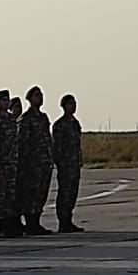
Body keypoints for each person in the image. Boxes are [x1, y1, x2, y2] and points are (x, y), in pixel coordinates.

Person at [17, 86, 54, 235]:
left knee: (41, 193)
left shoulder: (43, 117)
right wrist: (24, 163)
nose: (40, 98)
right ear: (30, 99)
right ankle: (30, 223)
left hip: (44, 162)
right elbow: (22, 142)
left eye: (41, 95)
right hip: (31, 163)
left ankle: (37, 221)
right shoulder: (26, 119)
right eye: (37, 95)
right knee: (31, 194)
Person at [0, 90, 22, 237]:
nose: (6, 102)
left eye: (7, 100)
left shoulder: (11, 119)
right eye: (3, 100)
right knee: (1, 196)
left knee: (11, 195)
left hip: (12, 162)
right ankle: (2, 224)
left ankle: (10, 223)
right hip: (1, 164)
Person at [52, 94, 84, 233]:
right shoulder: (60, 125)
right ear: (64, 106)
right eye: (70, 103)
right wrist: (60, 162)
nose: (73, 106)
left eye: (74, 103)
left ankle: (69, 220)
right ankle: (63, 221)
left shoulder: (74, 123)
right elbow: (57, 147)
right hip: (65, 164)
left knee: (72, 193)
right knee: (64, 193)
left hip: (74, 163)